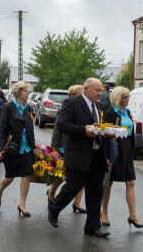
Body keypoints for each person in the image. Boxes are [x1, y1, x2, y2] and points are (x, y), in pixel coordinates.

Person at [48, 78, 110, 238]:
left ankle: (92, 227)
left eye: (101, 90)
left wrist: (108, 134)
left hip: (97, 155)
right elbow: (62, 125)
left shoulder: (100, 106)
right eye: (97, 90)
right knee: (73, 187)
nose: (100, 93)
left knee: (96, 193)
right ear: (86, 89)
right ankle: (54, 207)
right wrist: (84, 131)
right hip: (78, 154)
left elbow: (102, 128)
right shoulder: (72, 104)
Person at [101, 86, 143, 229]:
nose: (128, 99)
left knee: (130, 182)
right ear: (118, 98)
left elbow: (130, 132)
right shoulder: (110, 112)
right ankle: (104, 212)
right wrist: (107, 154)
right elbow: (105, 136)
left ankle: (133, 215)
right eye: (125, 97)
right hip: (115, 148)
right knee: (109, 182)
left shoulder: (127, 112)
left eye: (128, 97)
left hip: (126, 149)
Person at [0, 81, 35, 217]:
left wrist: (34, 146)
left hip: (27, 148)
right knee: (10, 177)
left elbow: (30, 128)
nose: (28, 93)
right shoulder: (8, 107)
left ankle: (22, 204)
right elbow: (3, 129)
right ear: (18, 92)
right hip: (12, 147)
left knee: (26, 175)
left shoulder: (28, 108)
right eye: (25, 91)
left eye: (28, 91)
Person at [48, 84, 86, 212]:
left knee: (81, 177)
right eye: (79, 95)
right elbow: (57, 130)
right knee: (61, 176)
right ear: (71, 96)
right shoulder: (66, 109)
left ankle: (77, 203)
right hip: (64, 148)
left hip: (79, 148)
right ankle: (52, 191)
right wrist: (54, 149)